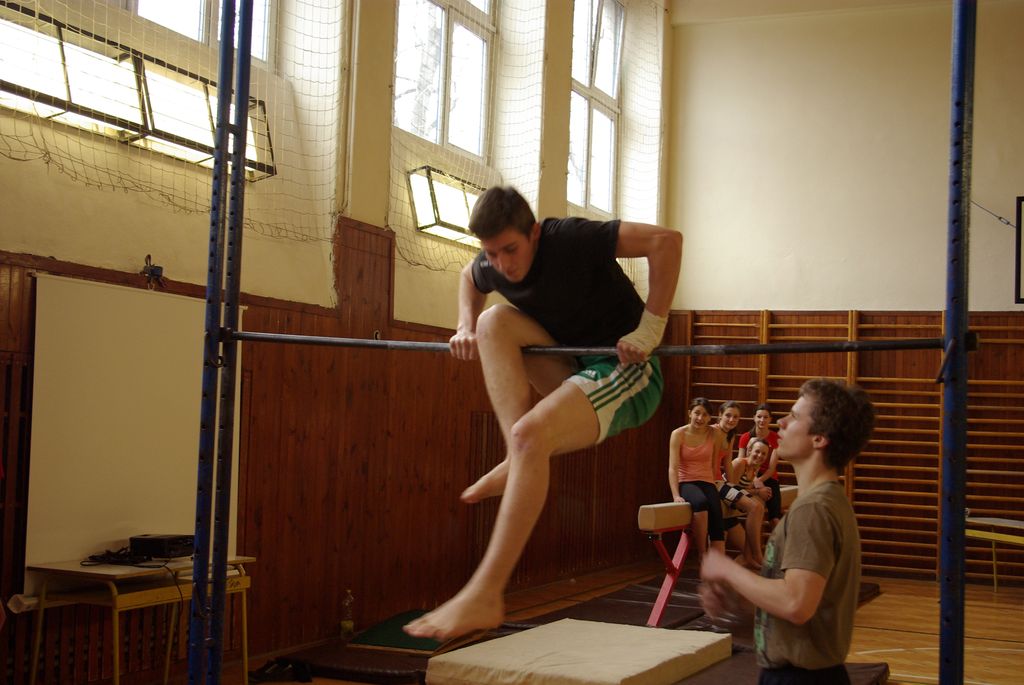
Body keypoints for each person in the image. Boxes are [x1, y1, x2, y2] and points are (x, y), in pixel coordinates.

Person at [404, 186, 682, 640]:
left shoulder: (569, 238)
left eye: (510, 250)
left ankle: (485, 593)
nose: (502, 265)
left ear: (534, 233)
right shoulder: (492, 264)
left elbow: (666, 241)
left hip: (628, 371)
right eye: (491, 253)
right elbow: (469, 278)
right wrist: (464, 325)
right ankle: (514, 458)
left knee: (531, 435)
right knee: (492, 321)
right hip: (571, 366)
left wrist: (650, 330)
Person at [699, 379, 875, 685]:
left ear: (819, 438)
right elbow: (800, 609)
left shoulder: (813, 509)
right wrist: (739, 604)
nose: (780, 422)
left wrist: (728, 569)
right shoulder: (823, 502)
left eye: (793, 416)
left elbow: (796, 604)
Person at [668, 398, 728, 560]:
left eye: (705, 415)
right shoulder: (678, 434)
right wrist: (676, 495)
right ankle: (702, 553)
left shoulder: (715, 433)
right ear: (690, 413)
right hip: (686, 481)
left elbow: (714, 464)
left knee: (717, 518)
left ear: (710, 418)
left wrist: (717, 486)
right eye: (697, 413)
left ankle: (718, 564)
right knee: (700, 503)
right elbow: (673, 467)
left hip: (707, 481)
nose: (700, 418)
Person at [738, 403, 783, 529]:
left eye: (765, 417)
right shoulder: (745, 437)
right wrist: (752, 479)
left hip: (768, 477)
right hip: (748, 474)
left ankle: (781, 539)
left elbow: (771, 468)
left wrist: (759, 481)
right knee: (754, 508)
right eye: (759, 417)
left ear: (770, 419)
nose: (762, 420)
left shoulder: (775, 438)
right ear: (754, 417)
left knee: (774, 518)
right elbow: (741, 461)